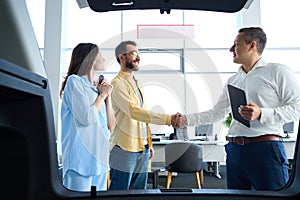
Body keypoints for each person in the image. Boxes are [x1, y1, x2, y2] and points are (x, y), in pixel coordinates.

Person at [181, 27, 300, 191]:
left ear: (252, 45)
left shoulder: (277, 72)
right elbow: (218, 112)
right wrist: (186, 120)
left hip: (265, 150)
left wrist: (262, 113)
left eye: (236, 44)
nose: (231, 49)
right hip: (235, 151)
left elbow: (297, 107)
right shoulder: (233, 80)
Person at [108, 40, 184, 190]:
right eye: (134, 53)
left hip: (141, 148)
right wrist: (168, 119)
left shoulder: (135, 82)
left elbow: (143, 119)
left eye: (139, 54)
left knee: (139, 192)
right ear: (121, 57)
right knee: (119, 193)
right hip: (124, 148)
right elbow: (134, 112)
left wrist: (148, 143)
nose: (138, 57)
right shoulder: (117, 83)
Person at [60, 43, 115, 191]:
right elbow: (86, 118)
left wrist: (107, 96)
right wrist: (102, 96)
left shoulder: (97, 89)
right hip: (80, 161)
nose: (103, 58)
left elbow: (111, 125)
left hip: (99, 160)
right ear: (90, 58)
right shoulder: (74, 82)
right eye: (100, 55)